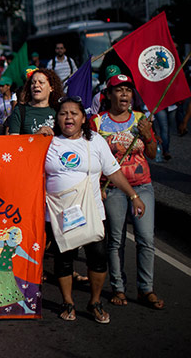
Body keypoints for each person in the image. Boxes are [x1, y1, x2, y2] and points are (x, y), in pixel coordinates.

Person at [46, 97, 141, 323]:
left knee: (98, 258)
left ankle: (95, 301)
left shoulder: (95, 141)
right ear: (57, 118)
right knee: (64, 260)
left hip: (93, 212)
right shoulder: (48, 142)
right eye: (63, 113)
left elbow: (114, 171)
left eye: (74, 113)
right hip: (60, 214)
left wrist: (133, 196)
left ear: (82, 118)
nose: (68, 117)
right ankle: (67, 302)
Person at [90, 74, 164, 310]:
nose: (124, 94)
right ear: (109, 95)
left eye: (128, 90)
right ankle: (118, 288)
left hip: (142, 186)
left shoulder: (142, 119)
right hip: (112, 188)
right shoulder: (98, 122)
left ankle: (146, 289)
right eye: (119, 90)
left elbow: (152, 154)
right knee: (115, 241)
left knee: (146, 239)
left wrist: (148, 135)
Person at [0, 227, 38, 317]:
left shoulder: (17, 247)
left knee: (14, 290)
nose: (12, 235)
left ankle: (26, 309)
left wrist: (35, 261)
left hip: (7, 271)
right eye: (11, 233)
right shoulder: (4, 243)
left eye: (15, 234)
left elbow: (25, 255)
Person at [7, 69, 63, 135]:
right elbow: (14, 142)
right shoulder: (19, 111)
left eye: (41, 82)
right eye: (33, 83)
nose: (36, 85)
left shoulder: (58, 110)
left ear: (51, 88)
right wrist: (36, 137)